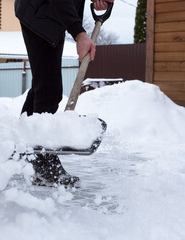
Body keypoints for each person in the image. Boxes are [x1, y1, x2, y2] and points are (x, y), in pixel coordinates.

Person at [14, 0, 114, 187]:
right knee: (49, 90)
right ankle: (42, 164)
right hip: (39, 11)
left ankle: (23, 149)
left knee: (42, 84)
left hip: (51, 14)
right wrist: (80, 34)